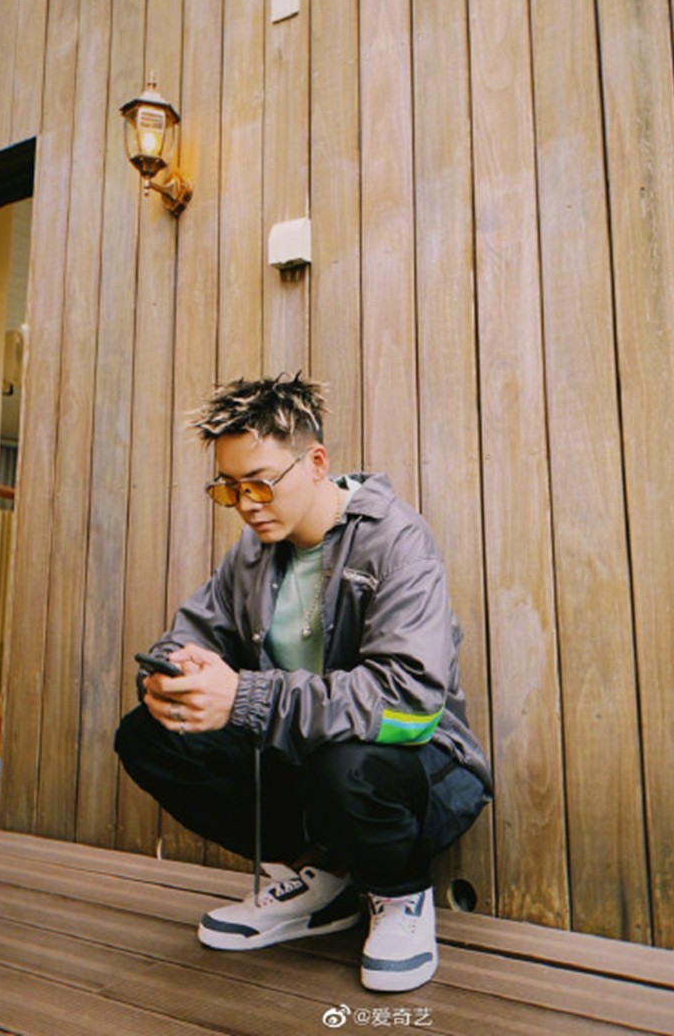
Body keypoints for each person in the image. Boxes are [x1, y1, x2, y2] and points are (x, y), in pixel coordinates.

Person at [115, 373, 491, 993]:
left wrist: (243, 696)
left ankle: (399, 893)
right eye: (230, 488)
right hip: (310, 764)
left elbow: (408, 703)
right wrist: (171, 680)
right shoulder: (251, 555)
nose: (246, 503)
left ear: (316, 463)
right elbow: (191, 636)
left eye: (260, 482)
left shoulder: (396, 540)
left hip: (419, 769)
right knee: (149, 736)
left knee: (344, 763)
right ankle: (321, 879)